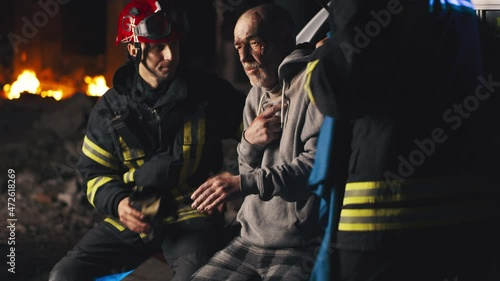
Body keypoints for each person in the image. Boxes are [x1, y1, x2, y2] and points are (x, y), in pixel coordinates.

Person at [49, 0, 245, 280]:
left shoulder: (207, 93)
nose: (169, 55)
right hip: (135, 216)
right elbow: (93, 174)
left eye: (174, 45)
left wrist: (236, 178)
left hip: (192, 214)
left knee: (197, 277)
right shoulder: (109, 109)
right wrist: (119, 204)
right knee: (64, 275)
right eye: (157, 47)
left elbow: (254, 136)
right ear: (134, 49)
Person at [304, 0, 500, 280]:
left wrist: (318, 59)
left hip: (388, 215)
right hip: (468, 213)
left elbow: (339, 90)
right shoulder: (463, 5)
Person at [189, 3, 325, 280]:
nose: (244, 57)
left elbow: (314, 170)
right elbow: (247, 171)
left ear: (285, 38)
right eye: (238, 46)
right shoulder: (255, 96)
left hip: (299, 246)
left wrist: (241, 183)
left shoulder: (312, 86)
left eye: (254, 43)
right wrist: (248, 145)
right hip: (249, 239)